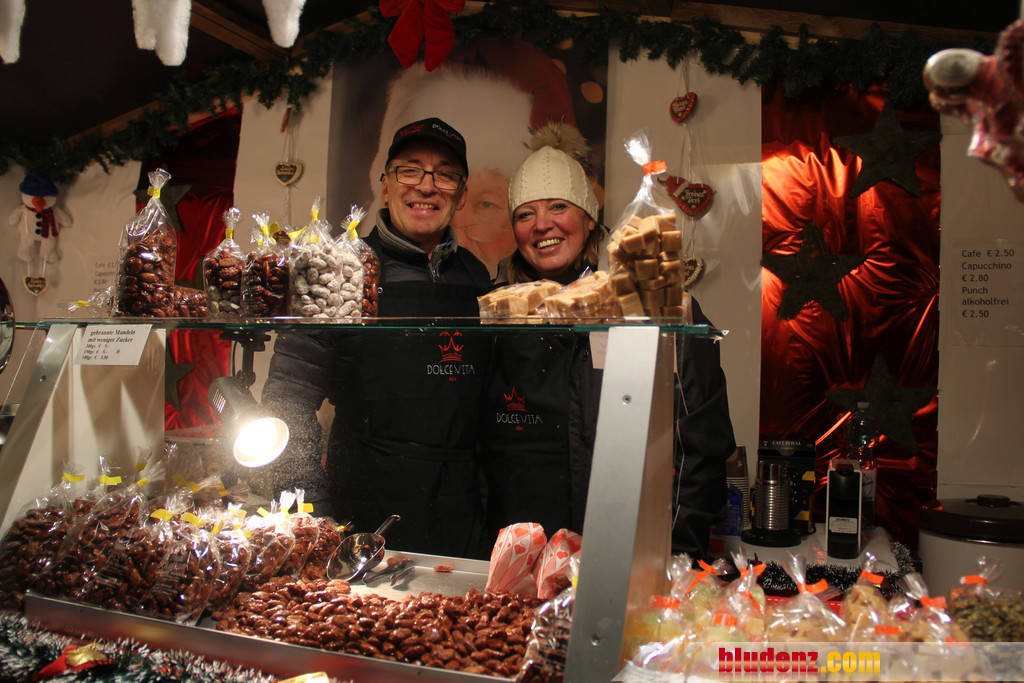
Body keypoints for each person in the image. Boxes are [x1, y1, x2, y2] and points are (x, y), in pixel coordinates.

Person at [482, 123, 736, 560]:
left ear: (588, 215)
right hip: (526, 559)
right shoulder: (497, 314)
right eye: (525, 214)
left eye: (558, 206)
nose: (542, 224)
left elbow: (703, 443)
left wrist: (677, 553)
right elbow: (483, 451)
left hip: (628, 554)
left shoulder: (649, 303)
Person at [260, 117, 492, 558]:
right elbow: (288, 399)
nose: (427, 186)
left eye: (445, 175)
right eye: (410, 170)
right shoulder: (340, 270)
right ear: (385, 186)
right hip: (363, 506)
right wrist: (311, 516)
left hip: (461, 514)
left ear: (460, 194)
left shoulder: (476, 277)